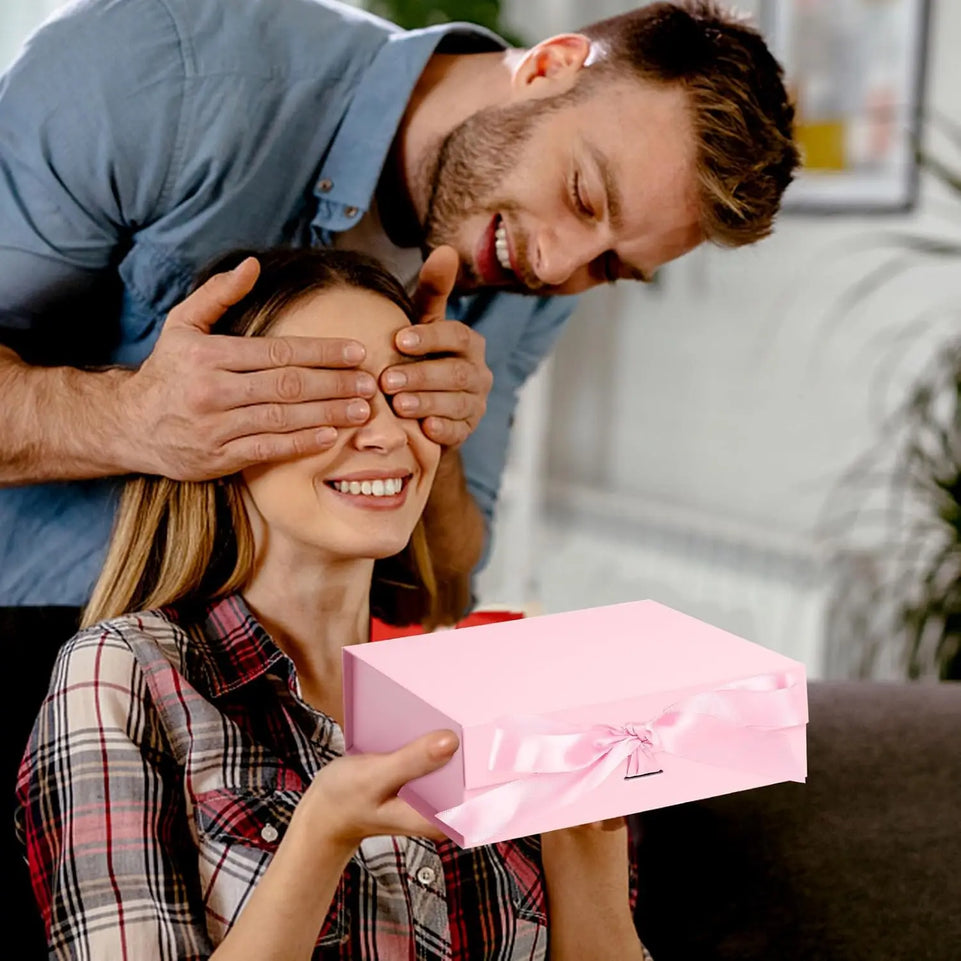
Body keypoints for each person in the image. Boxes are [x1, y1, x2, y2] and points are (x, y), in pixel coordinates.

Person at [15, 245, 652, 961]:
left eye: (404, 395)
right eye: (326, 397)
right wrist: (321, 834)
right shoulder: (123, 675)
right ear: (215, 427)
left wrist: (585, 843)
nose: (385, 433)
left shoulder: (493, 686)